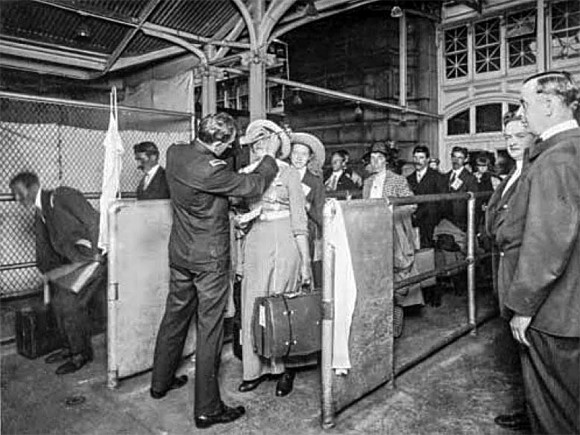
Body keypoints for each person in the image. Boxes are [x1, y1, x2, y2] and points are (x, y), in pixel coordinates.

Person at [150, 113, 279, 430]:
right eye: (230, 143)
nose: (231, 147)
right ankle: (207, 409)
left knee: (175, 316)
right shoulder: (210, 170)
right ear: (219, 142)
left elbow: (213, 188)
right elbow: (252, 185)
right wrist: (269, 156)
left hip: (180, 253)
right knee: (209, 330)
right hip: (208, 259)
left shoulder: (176, 152)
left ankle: (160, 383)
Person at [504, 71, 580, 434]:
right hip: (572, 305)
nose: (521, 113)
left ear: (548, 105)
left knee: (554, 413)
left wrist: (523, 307)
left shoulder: (554, 159)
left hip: (556, 312)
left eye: (524, 104)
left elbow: (548, 244)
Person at [235, 120, 312, 398]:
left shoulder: (289, 173)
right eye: (254, 143)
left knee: (282, 306)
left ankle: (284, 369)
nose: (259, 147)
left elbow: (300, 220)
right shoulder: (244, 174)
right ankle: (253, 370)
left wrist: (305, 261)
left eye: (264, 142)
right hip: (255, 242)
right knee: (253, 305)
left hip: (285, 243)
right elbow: (237, 215)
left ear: (275, 145)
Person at [9, 172, 105, 375]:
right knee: (57, 299)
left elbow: (94, 220)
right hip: (77, 260)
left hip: (94, 258)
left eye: (18, 192)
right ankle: (69, 348)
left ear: (33, 187)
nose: (17, 198)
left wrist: (95, 251)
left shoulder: (61, 196)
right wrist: (49, 274)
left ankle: (80, 355)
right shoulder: (40, 211)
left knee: (68, 301)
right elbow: (44, 249)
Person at [485, 111, 536, 432]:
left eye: (519, 135)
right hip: (507, 264)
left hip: (525, 267)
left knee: (530, 343)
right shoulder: (511, 174)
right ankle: (530, 406)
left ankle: (537, 412)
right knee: (520, 345)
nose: (513, 142)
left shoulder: (535, 171)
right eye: (508, 137)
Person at [362, 142, 421, 337]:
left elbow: (411, 204)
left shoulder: (397, 180)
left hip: (393, 232)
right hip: (372, 234)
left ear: (387, 160)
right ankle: (379, 321)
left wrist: (391, 211)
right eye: (372, 158)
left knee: (396, 275)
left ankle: (396, 322)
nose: (376, 162)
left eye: (380, 158)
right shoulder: (367, 182)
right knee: (375, 275)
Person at [290, 132, 326, 289]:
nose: (299, 157)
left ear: (310, 157)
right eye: (295, 152)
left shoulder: (315, 182)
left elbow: (321, 217)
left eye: (303, 154)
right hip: (283, 229)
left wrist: (307, 205)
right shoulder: (281, 174)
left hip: (306, 234)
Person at [406, 145, 446, 249]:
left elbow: (443, 203)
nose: (417, 161)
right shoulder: (408, 179)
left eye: (421, 158)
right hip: (412, 224)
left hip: (431, 225)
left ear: (427, 159)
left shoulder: (438, 177)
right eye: (415, 157)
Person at [444, 146, 479, 232]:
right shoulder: (445, 177)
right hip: (446, 222)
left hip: (462, 224)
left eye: (460, 158)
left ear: (465, 159)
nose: (456, 160)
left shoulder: (470, 178)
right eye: (454, 157)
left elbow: (475, 203)